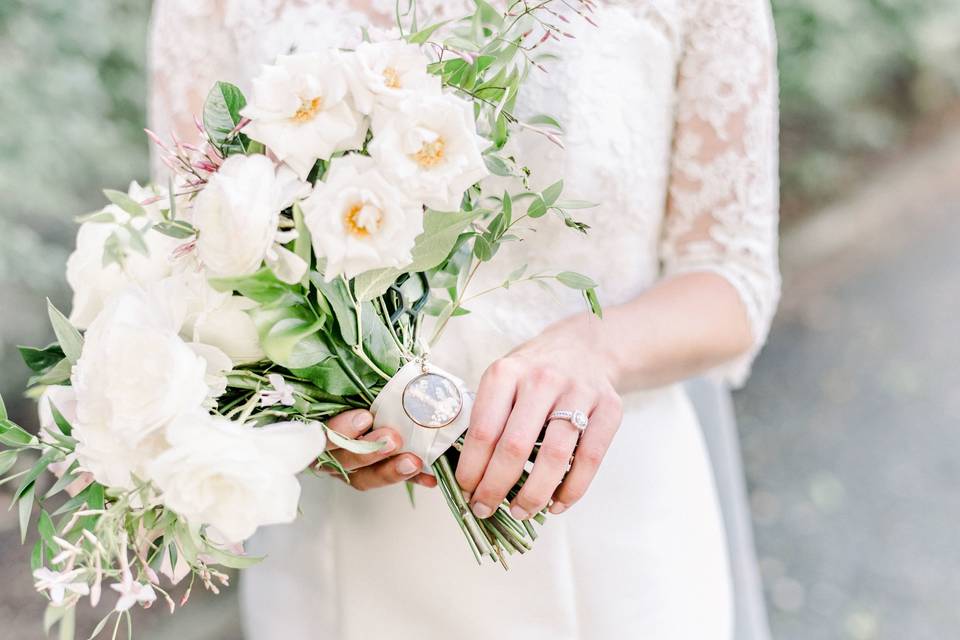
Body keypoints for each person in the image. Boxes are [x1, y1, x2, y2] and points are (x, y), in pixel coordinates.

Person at [148, 1, 781, 638]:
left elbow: (732, 277)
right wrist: (300, 411)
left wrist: (599, 348)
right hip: (347, 541)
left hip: (602, 513)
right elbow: (196, 259)